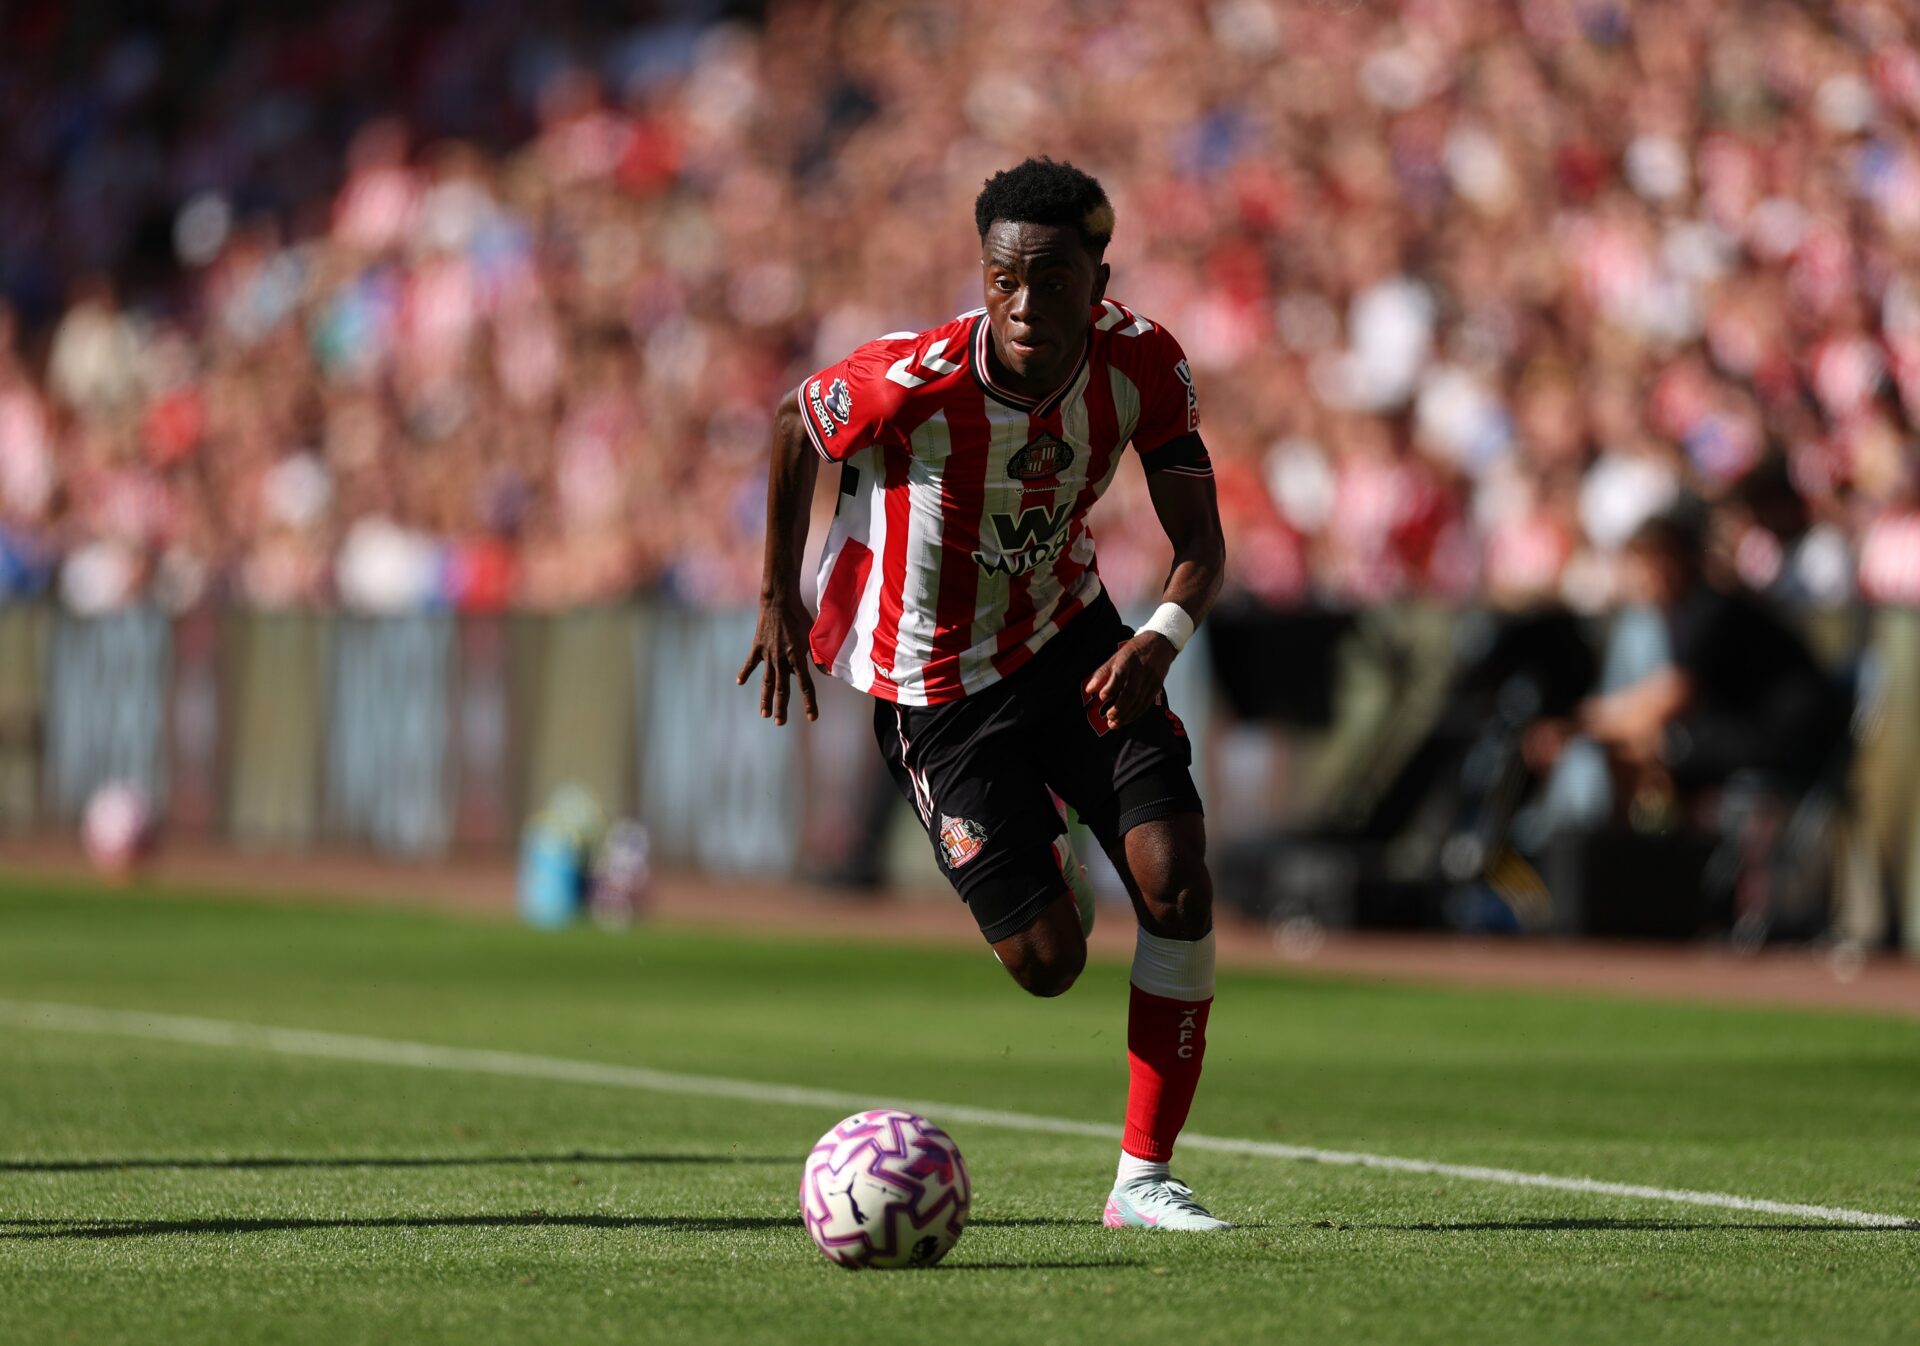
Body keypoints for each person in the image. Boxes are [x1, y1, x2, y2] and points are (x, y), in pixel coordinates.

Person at [738, 158, 1230, 1231]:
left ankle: (1143, 1178)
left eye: (1052, 279)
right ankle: (1050, 864)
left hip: (1078, 643)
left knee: (1179, 881)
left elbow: (1202, 545)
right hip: (936, 684)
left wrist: (1159, 636)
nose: (1022, 304)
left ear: (1099, 277)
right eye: (1005, 278)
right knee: (1048, 964)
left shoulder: (1142, 363)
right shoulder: (911, 376)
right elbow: (792, 422)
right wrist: (777, 593)